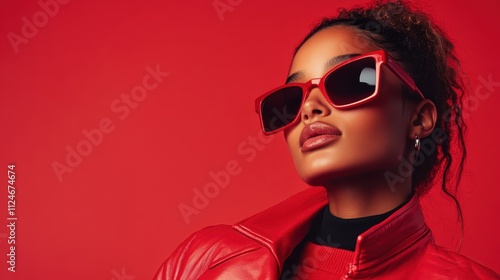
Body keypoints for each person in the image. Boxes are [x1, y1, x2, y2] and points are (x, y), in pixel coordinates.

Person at [154, 0, 500, 279]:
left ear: (420, 118)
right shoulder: (206, 260)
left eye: (352, 80)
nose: (310, 108)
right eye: (291, 99)